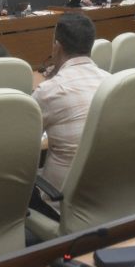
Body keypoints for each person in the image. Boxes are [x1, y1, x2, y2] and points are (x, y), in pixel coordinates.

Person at [31, 13, 110, 214]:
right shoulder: (112, 81)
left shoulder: (48, 90)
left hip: (61, 204)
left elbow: (23, 150)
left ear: (57, 47)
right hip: (109, 194)